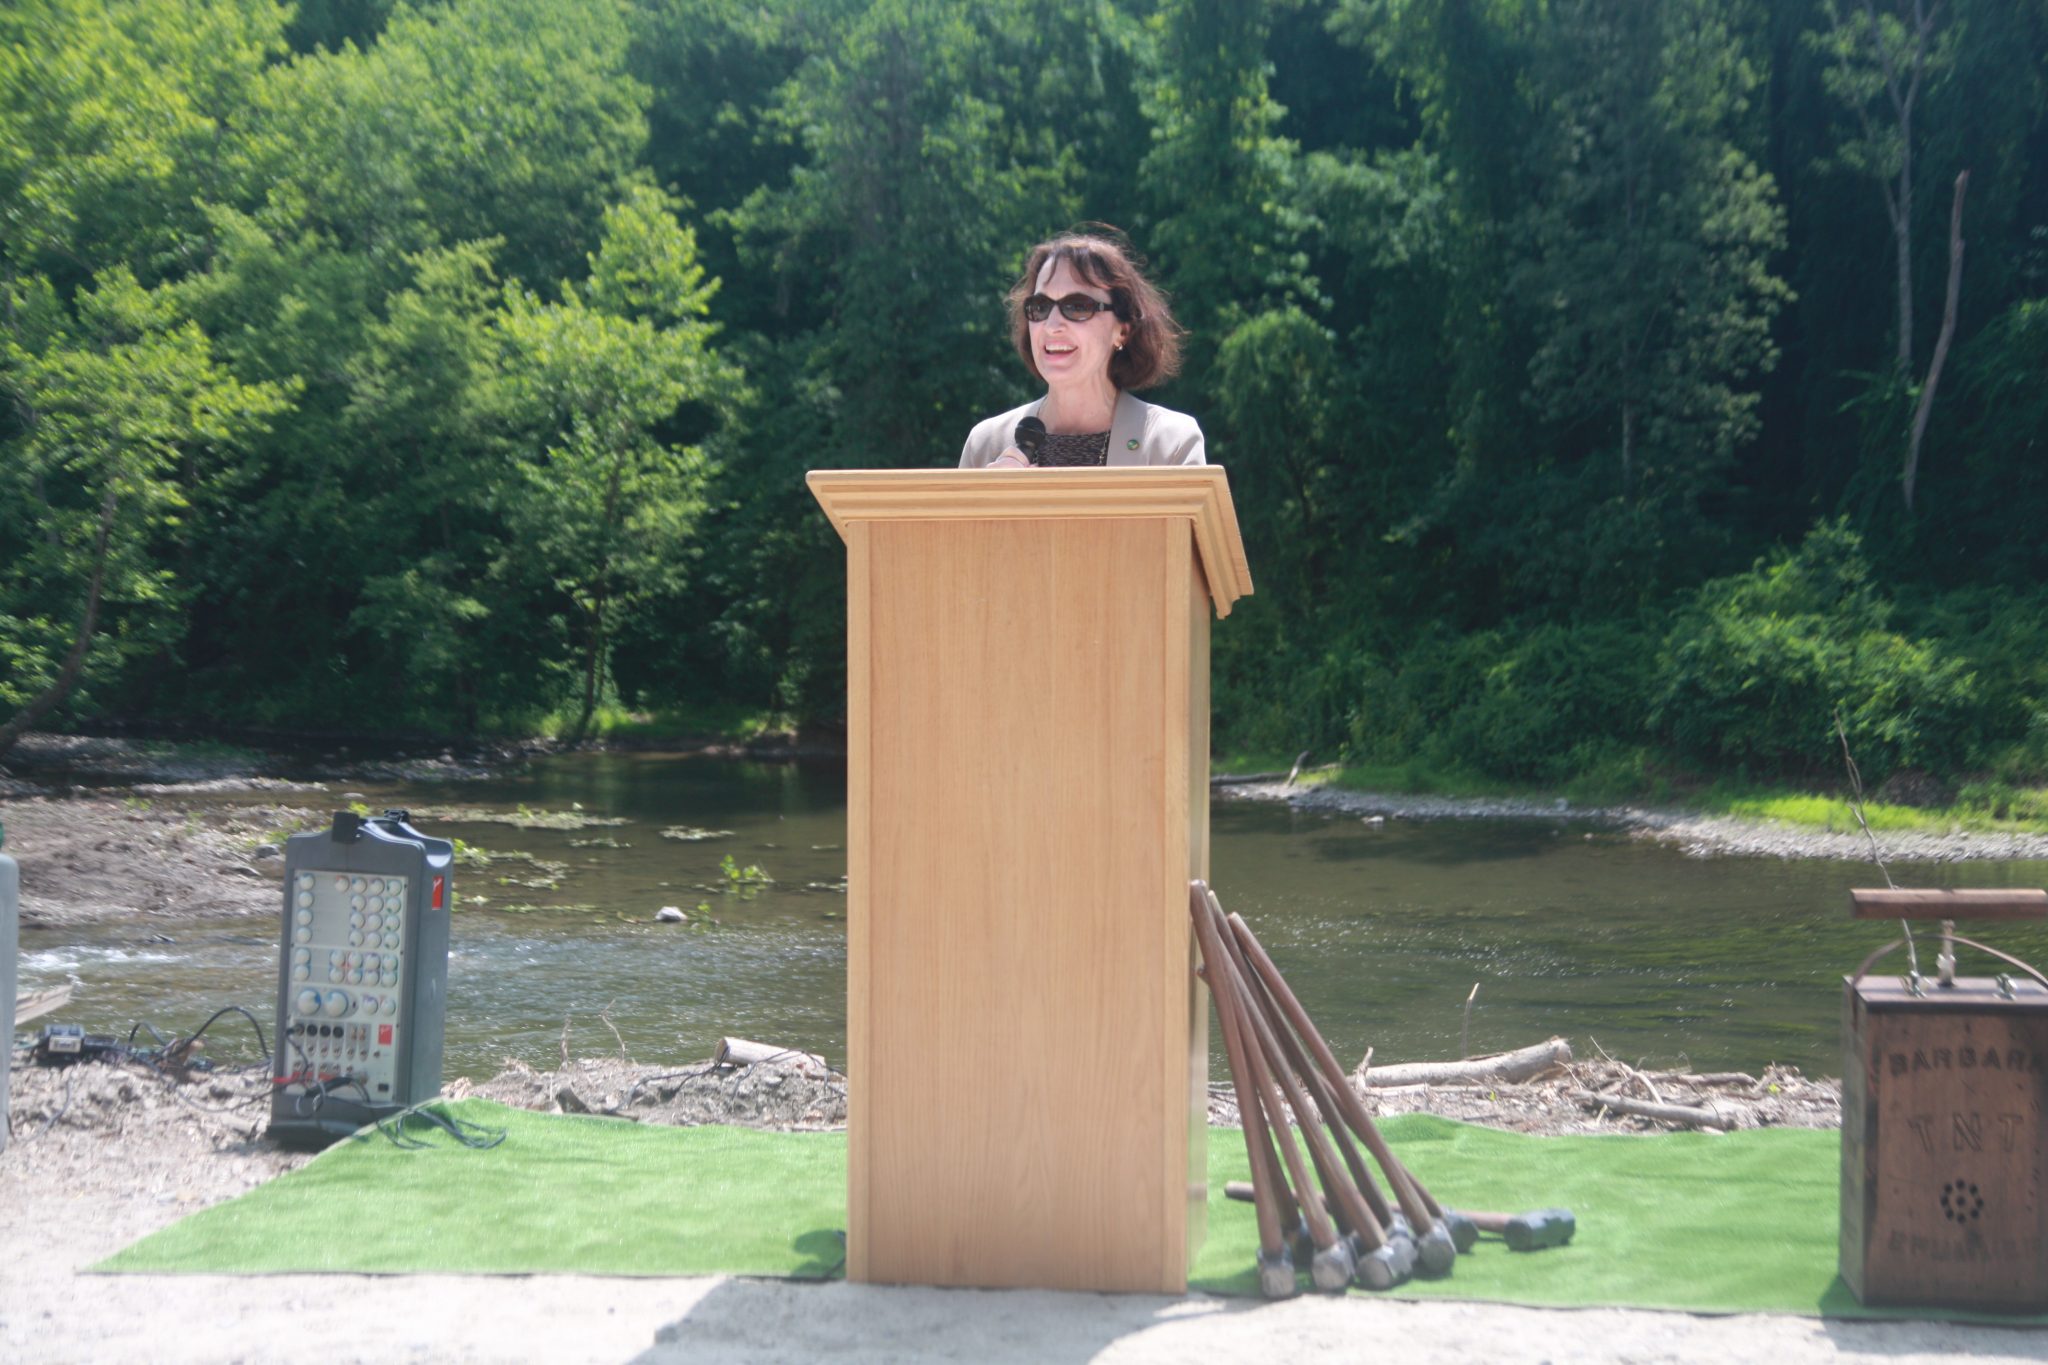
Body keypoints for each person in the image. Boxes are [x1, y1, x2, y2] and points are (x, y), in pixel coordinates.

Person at [958, 232, 1204, 469]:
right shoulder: (983, 445)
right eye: (1040, 307)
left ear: (1123, 331)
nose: (1052, 326)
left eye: (1077, 306)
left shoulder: (1172, 443)